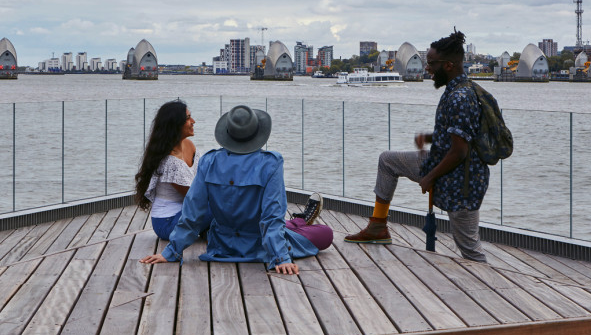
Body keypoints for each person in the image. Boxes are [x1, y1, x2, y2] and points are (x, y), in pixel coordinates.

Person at [344, 30, 488, 262]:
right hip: (442, 162)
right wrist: (430, 137)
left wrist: (430, 177)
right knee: (388, 161)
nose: (427, 68)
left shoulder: (460, 98)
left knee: (471, 250)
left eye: (431, 63)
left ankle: (490, 283)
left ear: (448, 65)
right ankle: (377, 227)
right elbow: (460, 135)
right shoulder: (461, 90)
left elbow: (460, 151)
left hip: (462, 181)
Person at [139, 105, 332, 275]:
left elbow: (193, 212)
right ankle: (300, 222)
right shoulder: (271, 163)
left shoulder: (209, 161)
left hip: (222, 247)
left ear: (227, 133)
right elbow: (272, 215)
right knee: (325, 232)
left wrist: (172, 251)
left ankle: (299, 222)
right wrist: (281, 257)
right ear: (258, 134)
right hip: (260, 245)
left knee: (283, 227)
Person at [133, 100, 198, 240]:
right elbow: (194, 198)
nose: (193, 121)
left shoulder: (189, 145)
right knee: (219, 209)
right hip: (167, 223)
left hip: (185, 213)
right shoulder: (170, 161)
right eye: (188, 118)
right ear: (175, 124)